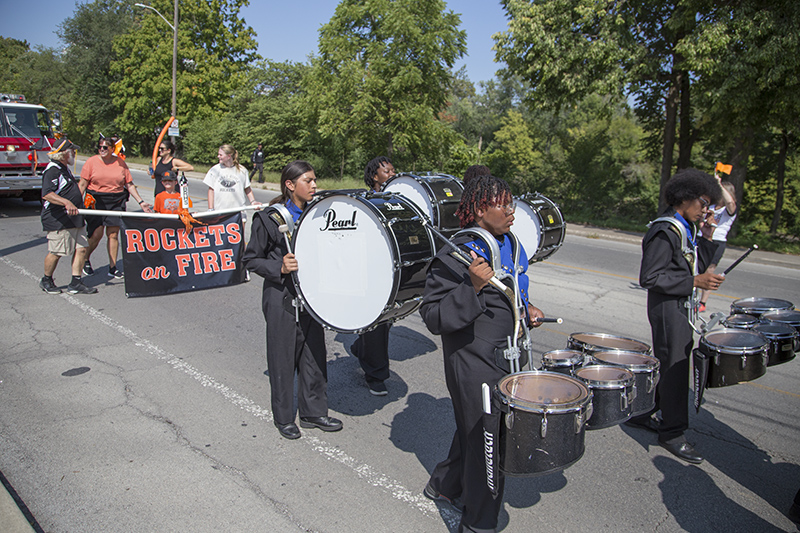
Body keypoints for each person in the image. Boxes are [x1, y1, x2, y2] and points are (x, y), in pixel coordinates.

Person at [419, 175, 545, 532]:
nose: (511, 212)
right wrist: (471, 287)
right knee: (489, 443)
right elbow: (433, 315)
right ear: (478, 209)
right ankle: (478, 524)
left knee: (476, 432)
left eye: (512, 204)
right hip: (472, 362)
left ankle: (443, 486)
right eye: (502, 205)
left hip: (507, 356)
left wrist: (528, 307)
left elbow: (511, 289)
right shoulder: (459, 251)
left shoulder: (511, 243)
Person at [626, 168, 725, 464]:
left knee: (672, 362)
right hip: (667, 308)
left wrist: (706, 237)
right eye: (703, 203)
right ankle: (672, 432)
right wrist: (694, 283)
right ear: (685, 198)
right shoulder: (664, 229)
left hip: (680, 305)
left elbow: (694, 264)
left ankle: (644, 412)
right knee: (676, 367)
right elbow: (650, 277)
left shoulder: (686, 227)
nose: (705, 210)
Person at [243, 160, 343, 440]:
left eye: (314, 180)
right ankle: (284, 417)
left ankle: (313, 413)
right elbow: (250, 260)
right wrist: (279, 268)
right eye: (308, 181)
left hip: (311, 297)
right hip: (281, 297)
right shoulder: (269, 218)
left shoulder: (317, 214)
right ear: (290, 185)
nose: (314, 186)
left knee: (314, 355)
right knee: (282, 358)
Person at [349, 156, 397, 395]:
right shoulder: (366, 201)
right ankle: (376, 374)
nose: (392, 174)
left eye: (393, 170)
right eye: (386, 171)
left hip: (392, 268)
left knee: (384, 320)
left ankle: (361, 347)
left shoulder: (398, 201)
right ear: (374, 177)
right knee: (377, 322)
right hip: (370, 270)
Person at [81, 138, 153, 279]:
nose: (102, 149)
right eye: (100, 147)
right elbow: (83, 184)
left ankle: (113, 267)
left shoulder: (120, 163)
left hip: (115, 200)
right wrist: (76, 202)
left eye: (105, 147)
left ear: (112, 149)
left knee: (113, 234)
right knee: (96, 234)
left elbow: (129, 184)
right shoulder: (91, 162)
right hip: (96, 200)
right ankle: (85, 259)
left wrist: (141, 202)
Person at [38, 139, 97, 295]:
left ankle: (76, 282)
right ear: (64, 153)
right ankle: (46, 280)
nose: (74, 154)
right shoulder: (52, 170)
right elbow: (47, 194)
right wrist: (66, 203)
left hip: (75, 217)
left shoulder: (64, 168)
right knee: (57, 252)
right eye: (72, 151)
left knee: (82, 248)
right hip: (59, 218)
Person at [204, 144, 260, 243]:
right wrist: (210, 209)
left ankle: (241, 258)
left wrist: (253, 201)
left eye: (220, 155)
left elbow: (247, 188)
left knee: (238, 241)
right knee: (220, 241)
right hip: (220, 212)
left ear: (229, 156)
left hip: (238, 212)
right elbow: (211, 190)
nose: (218, 157)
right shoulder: (215, 170)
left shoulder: (242, 171)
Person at [698, 176, 736, 312]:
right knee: (695, 269)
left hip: (717, 241)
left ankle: (702, 303)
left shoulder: (728, 210)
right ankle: (692, 297)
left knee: (709, 271)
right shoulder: (711, 206)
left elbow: (730, 203)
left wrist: (719, 184)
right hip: (702, 237)